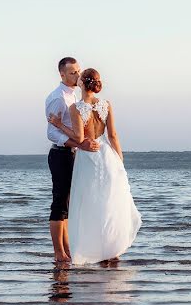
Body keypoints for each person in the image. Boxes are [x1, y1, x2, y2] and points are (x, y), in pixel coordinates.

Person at [49, 68, 141, 264]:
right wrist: (120, 161)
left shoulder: (76, 107)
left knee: (88, 203)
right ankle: (111, 249)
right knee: (108, 202)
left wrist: (59, 124)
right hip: (108, 155)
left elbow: (79, 138)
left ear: (82, 83)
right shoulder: (106, 105)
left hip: (88, 158)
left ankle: (90, 248)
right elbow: (113, 135)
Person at [45, 57, 99, 262]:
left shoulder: (74, 96)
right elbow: (52, 133)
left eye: (78, 71)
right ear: (62, 74)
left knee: (68, 203)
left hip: (73, 155)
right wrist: (79, 143)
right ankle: (58, 252)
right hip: (60, 155)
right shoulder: (58, 98)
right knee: (59, 203)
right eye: (72, 72)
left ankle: (66, 249)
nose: (78, 75)